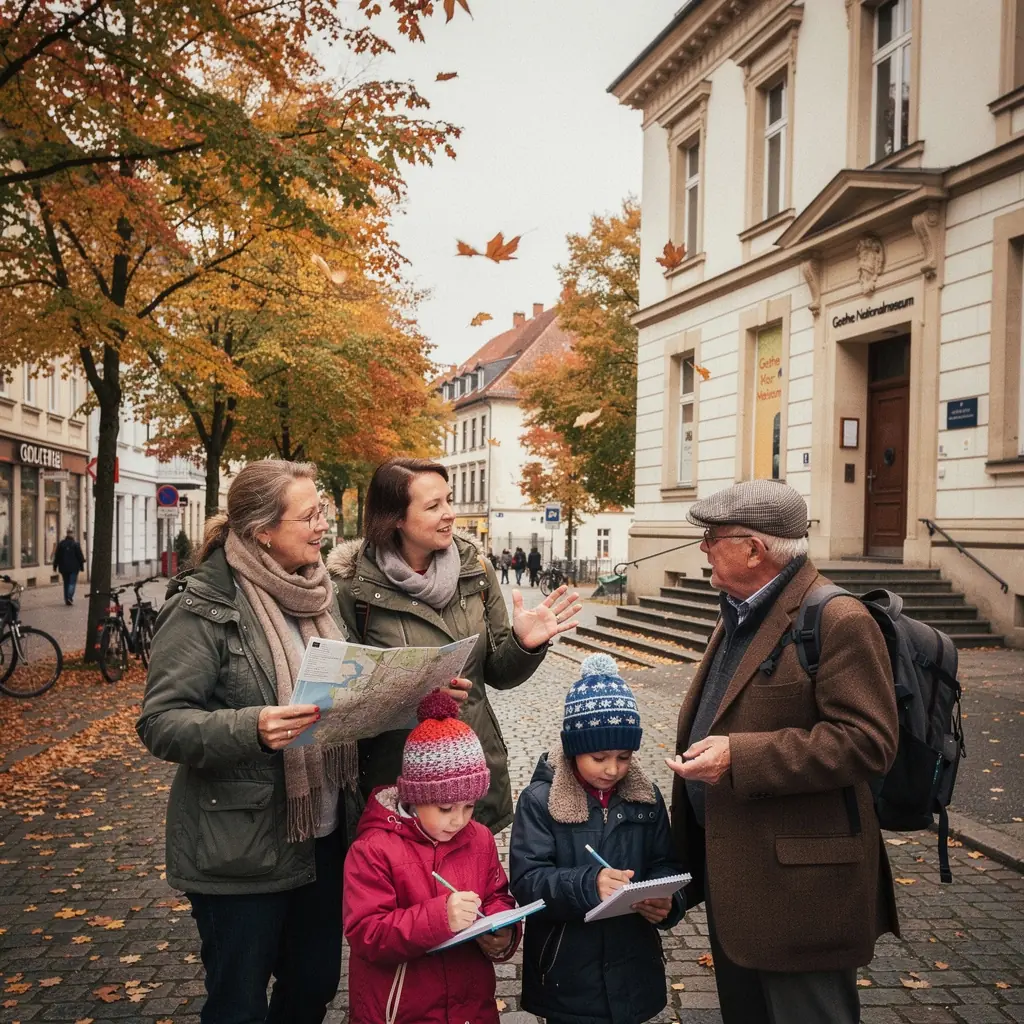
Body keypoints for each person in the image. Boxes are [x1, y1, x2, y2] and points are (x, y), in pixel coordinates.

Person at [663, 479, 900, 1024]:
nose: (703, 547)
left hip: (802, 892)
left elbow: (869, 742)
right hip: (740, 879)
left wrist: (738, 758)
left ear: (754, 548)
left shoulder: (838, 619)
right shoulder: (742, 609)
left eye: (711, 536)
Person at [137, 460, 354, 1024]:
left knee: (311, 988)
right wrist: (250, 727)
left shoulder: (322, 595)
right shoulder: (203, 607)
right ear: (261, 530)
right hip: (239, 845)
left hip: (322, 834)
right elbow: (161, 721)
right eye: (308, 517)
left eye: (322, 512)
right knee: (238, 1004)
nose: (321, 526)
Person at [328, 457, 581, 833]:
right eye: (433, 506)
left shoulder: (475, 570)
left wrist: (524, 644)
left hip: (470, 770)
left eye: (449, 500)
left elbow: (497, 673)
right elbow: (342, 698)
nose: (450, 514)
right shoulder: (354, 588)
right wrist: (414, 695)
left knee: (475, 888)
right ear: (395, 517)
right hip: (399, 779)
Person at [509, 653, 684, 1024]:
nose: (612, 769)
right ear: (574, 749)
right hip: (567, 972)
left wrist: (669, 901)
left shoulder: (645, 797)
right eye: (599, 756)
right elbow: (528, 882)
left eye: (624, 756)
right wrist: (589, 883)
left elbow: (666, 863)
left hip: (634, 964)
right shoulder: (540, 801)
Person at [343, 690, 520, 1023]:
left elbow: (497, 895)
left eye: (470, 806)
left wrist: (501, 931)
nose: (459, 820)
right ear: (414, 796)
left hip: (471, 1006)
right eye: (445, 808)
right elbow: (367, 934)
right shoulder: (373, 849)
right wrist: (440, 919)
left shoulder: (479, 839)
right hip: (402, 1009)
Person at [53, 526, 85, 606]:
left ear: (67, 534)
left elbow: (57, 556)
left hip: (64, 567)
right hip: (74, 568)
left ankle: (66, 599)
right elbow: (80, 557)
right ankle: (69, 597)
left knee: (66, 583)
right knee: (72, 583)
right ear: (72, 534)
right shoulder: (75, 544)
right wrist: (81, 566)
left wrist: (55, 565)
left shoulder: (61, 544)